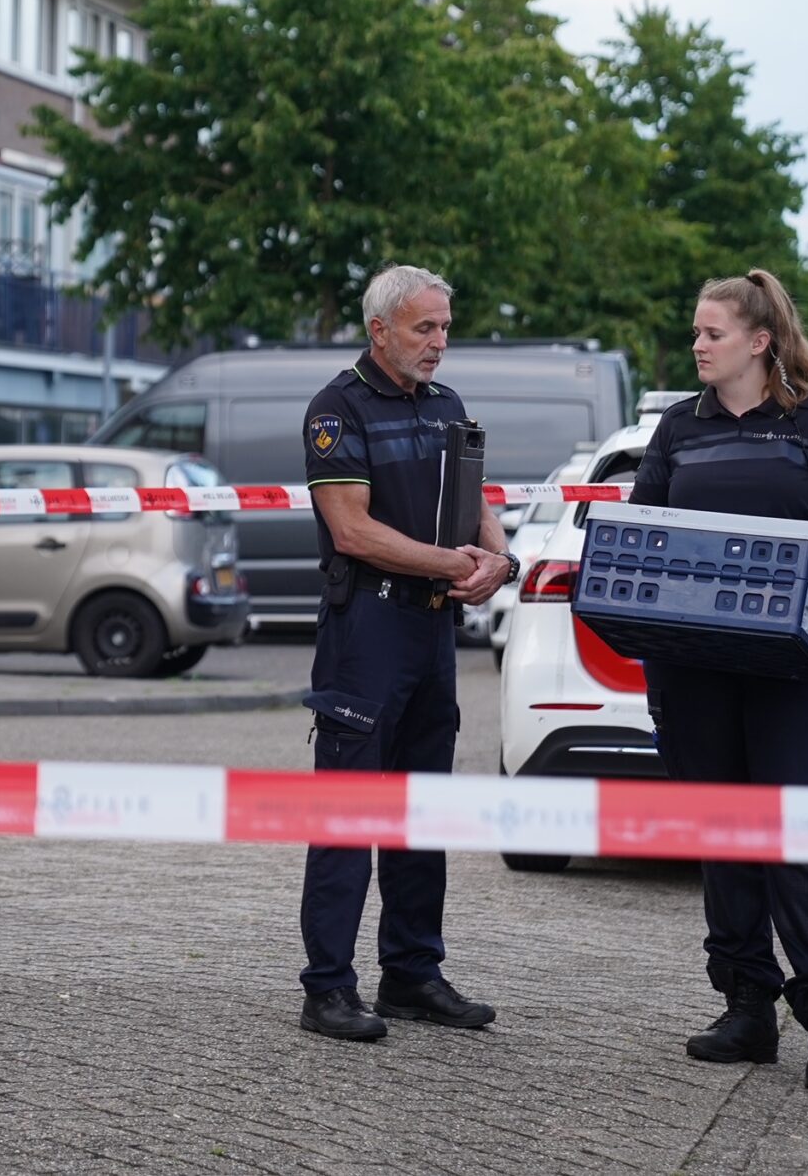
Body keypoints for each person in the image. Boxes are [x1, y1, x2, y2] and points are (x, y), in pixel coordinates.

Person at [630, 270, 808, 1095]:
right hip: (694, 668)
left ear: (757, 341)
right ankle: (746, 1010)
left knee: (801, 845)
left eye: (711, 333)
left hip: (793, 674)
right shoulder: (678, 427)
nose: (698, 345)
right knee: (724, 839)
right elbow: (645, 528)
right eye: (696, 333)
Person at [294, 265, 514, 1043]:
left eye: (445, 327)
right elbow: (351, 530)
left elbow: (474, 498)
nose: (440, 343)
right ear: (380, 328)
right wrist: (455, 565)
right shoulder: (337, 408)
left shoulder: (445, 405)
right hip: (368, 635)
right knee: (350, 811)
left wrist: (500, 558)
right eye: (425, 328)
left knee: (423, 810)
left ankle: (412, 974)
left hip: (432, 632)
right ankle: (327, 987)